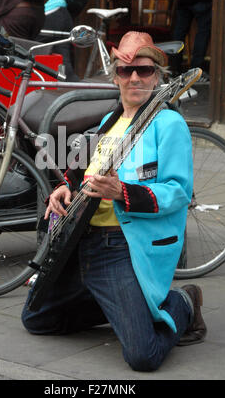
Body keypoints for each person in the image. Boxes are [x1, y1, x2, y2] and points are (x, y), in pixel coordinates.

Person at [21, 31, 207, 372]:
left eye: (145, 70)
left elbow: (179, 192)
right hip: (81, 244)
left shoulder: (168, 124)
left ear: (157, 77)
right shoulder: (108, 122)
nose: (134, 77)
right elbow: (84, 177)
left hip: (122, 248)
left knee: (142, 356)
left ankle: (182, 304)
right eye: (126, 70)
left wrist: (124, 193)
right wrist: (66, 190)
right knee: (36, 320)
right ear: (116, 77)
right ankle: (122, 307)